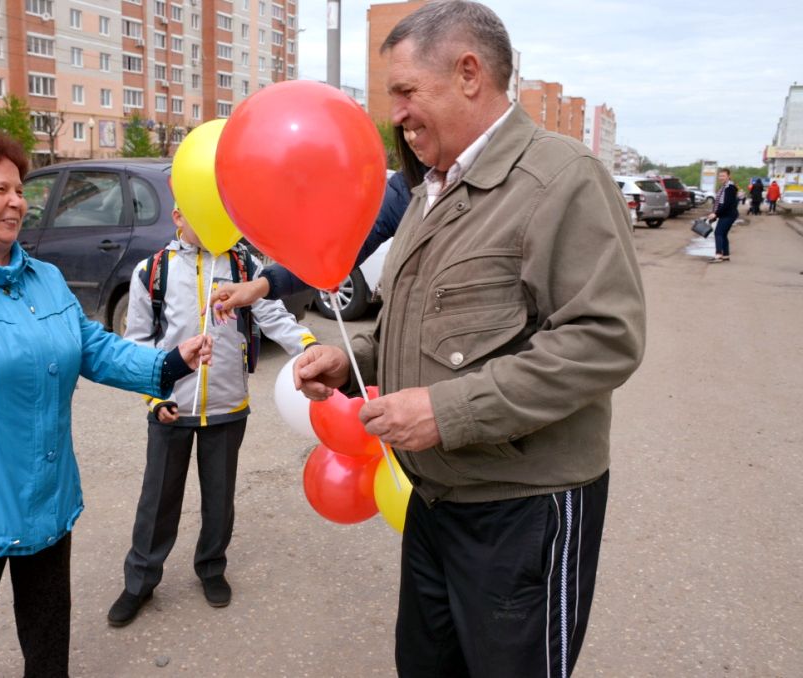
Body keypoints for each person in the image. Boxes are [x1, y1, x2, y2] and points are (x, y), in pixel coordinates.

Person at [293, 3, 646, 676]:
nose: (395, 113)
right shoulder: (431, 191)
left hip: (521, 509)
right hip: (435, 503)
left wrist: (446, 412)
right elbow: (425, 323)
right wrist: (352, 361)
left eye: (405, 92)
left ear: (467, 74)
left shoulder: (561, 179)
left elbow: (606, 340)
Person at [0, 131, 212, 677]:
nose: (17, 202)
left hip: (48, 502)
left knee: (49, 650)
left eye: (20, 189)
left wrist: (167, 364)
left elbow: (90, 346)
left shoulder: (44, 278)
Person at [108, 205, 318, 627]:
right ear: (178, 216)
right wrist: (154, 398)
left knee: (219, 497)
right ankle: (140, 581)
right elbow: (136, 342)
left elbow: (272, 314)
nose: (209, 225)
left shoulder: (242, 263)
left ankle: (211, 567)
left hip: (227, 406)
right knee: (158, 500)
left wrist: (309, 346)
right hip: (171, 407)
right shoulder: (152, 271)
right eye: (198, 215)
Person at [708, 168, 738, 263]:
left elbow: (726, 204)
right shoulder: (724, 187)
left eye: (723, 176)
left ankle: (718, 255)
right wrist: (715, 213)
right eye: (720, 176)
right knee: (723, 234)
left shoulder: (730, 187)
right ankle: (725, 255)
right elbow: (719, 202)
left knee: (718, 233)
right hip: (726, 214)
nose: (721, 177)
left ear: (728, 176)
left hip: (728, 214)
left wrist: (716, 213)